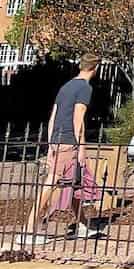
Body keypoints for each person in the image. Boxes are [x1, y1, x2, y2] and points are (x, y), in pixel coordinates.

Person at [22, 56, 102, 243]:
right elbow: (78, 118)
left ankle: (82, 225)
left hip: (57, 140)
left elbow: (53, 116)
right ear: (95, 68)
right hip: (69, 142)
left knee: (73, 183)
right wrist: (81, 147)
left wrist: (51, 144)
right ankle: (28, 229)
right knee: (52, 183)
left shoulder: (65, 87)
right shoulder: (85, 88)